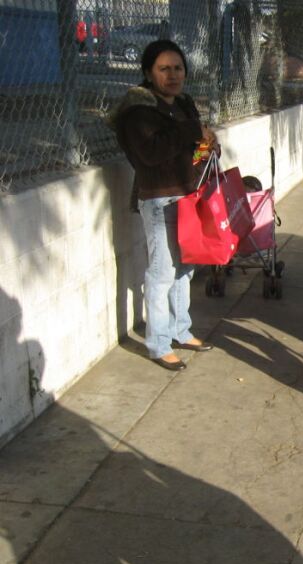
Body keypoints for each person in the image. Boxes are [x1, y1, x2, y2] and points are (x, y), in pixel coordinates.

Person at [107, 40, 217, 371]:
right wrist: (193, 131)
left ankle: (180, 329)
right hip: (159, 199)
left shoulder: (182, 105)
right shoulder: (137, 111)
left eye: (178, 68)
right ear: (148, 73)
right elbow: (151, 154)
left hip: (188, 195)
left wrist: (208, 148)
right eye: (164, 69)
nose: (173, 75)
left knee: (185, 267)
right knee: (162, 272)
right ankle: (158, 343)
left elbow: (194, 151)